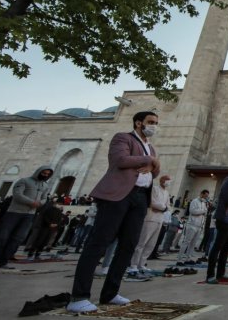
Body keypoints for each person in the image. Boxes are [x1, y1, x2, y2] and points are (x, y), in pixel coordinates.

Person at [66, 111, 160, 313]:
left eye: (156, 123)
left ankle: (110, 293)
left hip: (140, 197)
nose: (154, 126)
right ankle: (79, 296)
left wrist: (154, 163)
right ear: (138, 123)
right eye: (150, 122)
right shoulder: (123, 138)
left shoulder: (150, 147)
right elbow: (121, 160)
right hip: (119, 195)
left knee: (128, 245)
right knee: (99, 242)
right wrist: (149, 160)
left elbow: (154, 171)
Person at [0, 166, 51, 270]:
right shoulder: (24, 181)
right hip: (14, 212)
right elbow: (17, 195)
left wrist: (39, 204)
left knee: (17, 238)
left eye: (47, 174)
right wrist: (31, 202)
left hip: (29, 215)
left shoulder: (45, 185)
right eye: (44, 173)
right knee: (1, 236)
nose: (45, 175)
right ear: (39, 172)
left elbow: (45, 198)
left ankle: (3, 261)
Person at [128, 175, 171, 276]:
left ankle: (142, 264)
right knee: (142, 242)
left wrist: (162, 208)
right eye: (166, 180)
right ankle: (133, 264)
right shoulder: (155, 189)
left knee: (151, 244)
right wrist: (161, 207)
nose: (168, 182)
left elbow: (168, 206)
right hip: (150, 218)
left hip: (160, 219)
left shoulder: (167, 192)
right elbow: (153, 202)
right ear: (162, 180)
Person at [177, 189, 209, 265]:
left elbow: (205, 212)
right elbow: (193, 211)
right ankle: (180, 259)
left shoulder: (204, 203)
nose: (205, 198)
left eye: (207, 196)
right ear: (201, 193)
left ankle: (188, 258)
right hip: (192, 224)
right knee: (186, 242)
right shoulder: (194, 201)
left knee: (193, 243)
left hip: (199, 225)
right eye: (205, 196)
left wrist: (204, 211)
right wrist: (203, 211)